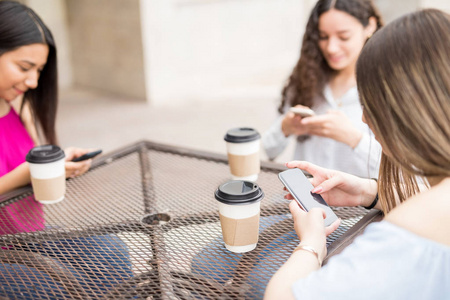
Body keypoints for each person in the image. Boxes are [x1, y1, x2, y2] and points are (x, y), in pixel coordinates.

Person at [265, 8, 450, 299]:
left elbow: (280, 296)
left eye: (370, 105)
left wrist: (311, 244)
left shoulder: (404, 234)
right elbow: (268, 145)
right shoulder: (307, 81)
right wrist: (371, 193)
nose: (364, 119)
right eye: (324, 37)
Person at [0, 1, 132, 297]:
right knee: (48, 286)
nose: (33, 81)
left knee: (110, 254)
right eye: (24, 68)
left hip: (31, 240)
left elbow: (31, 162)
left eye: (39, 70)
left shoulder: (17, 106)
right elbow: (21, 172)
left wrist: (57, 163)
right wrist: (24, 174)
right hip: (6, 252)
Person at [262, 0, 383, 178]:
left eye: (344, 37)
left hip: (360, 205)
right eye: (323, 37)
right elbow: (269, 150)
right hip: (302, 199)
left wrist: (353, 139)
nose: (331, 48)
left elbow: (403, 172)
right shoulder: (306, 79)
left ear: (370, 26)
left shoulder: (386, 88)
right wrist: (286, 127)